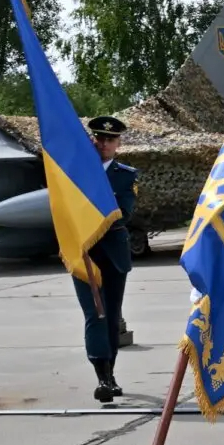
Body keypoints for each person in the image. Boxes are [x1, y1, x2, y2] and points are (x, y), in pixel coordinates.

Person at [74, 115, 139, 404]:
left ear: (118, 144)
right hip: (85, 253)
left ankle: (110, 375)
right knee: (94, 315)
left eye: (110, 140)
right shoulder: (74, 172)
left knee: (111, 316)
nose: (104, 144)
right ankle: (102, 378)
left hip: (112, 252)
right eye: (99, 138)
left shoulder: (126, 175)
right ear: (92, 140)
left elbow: (124, 211)